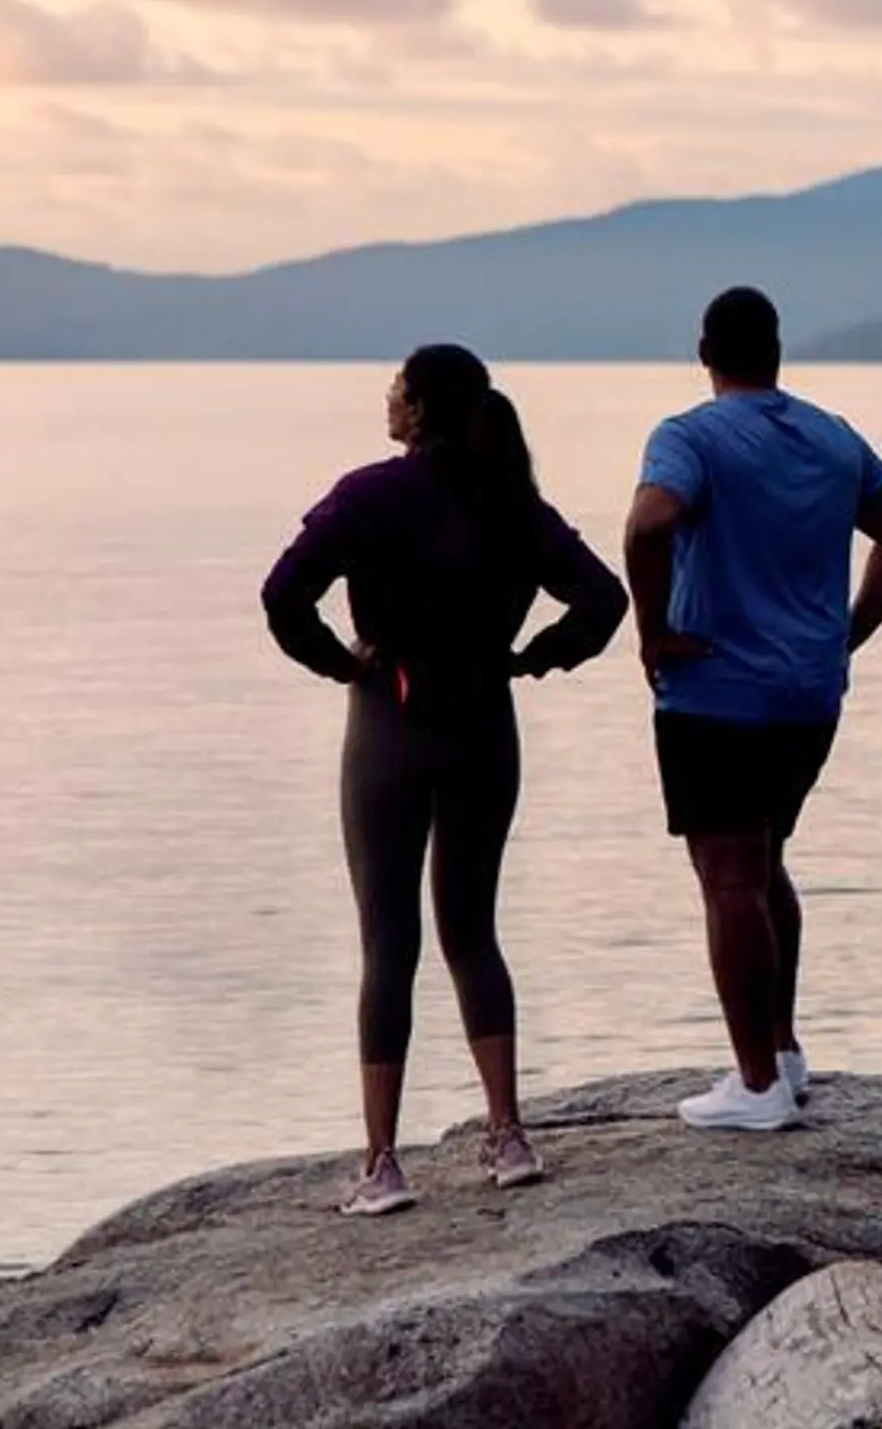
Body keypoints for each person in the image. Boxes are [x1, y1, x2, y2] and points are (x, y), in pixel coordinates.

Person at [263, 343, 627, 1214]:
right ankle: (507, 1136)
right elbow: (603, 599)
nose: (387, 395)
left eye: (397, 385)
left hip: (388, 726)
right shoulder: (510, 503)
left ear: (418, 408)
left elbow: (283, 596)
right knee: (473, 932)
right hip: (482, 728)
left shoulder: (366, 496)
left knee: (389, 943)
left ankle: (382, 1165)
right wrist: (535, 658)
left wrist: (340, 666)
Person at [627, 285, 882, 1132]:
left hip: (717, 693)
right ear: (776, 351)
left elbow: (650, 525)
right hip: (807, 697)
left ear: (704, 352)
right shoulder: (833, 437)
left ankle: (757, 1085)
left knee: (728, 881)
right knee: (763, 866)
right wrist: (843, 636)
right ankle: (784, 1052)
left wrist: (653, 632)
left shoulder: (689, 437)